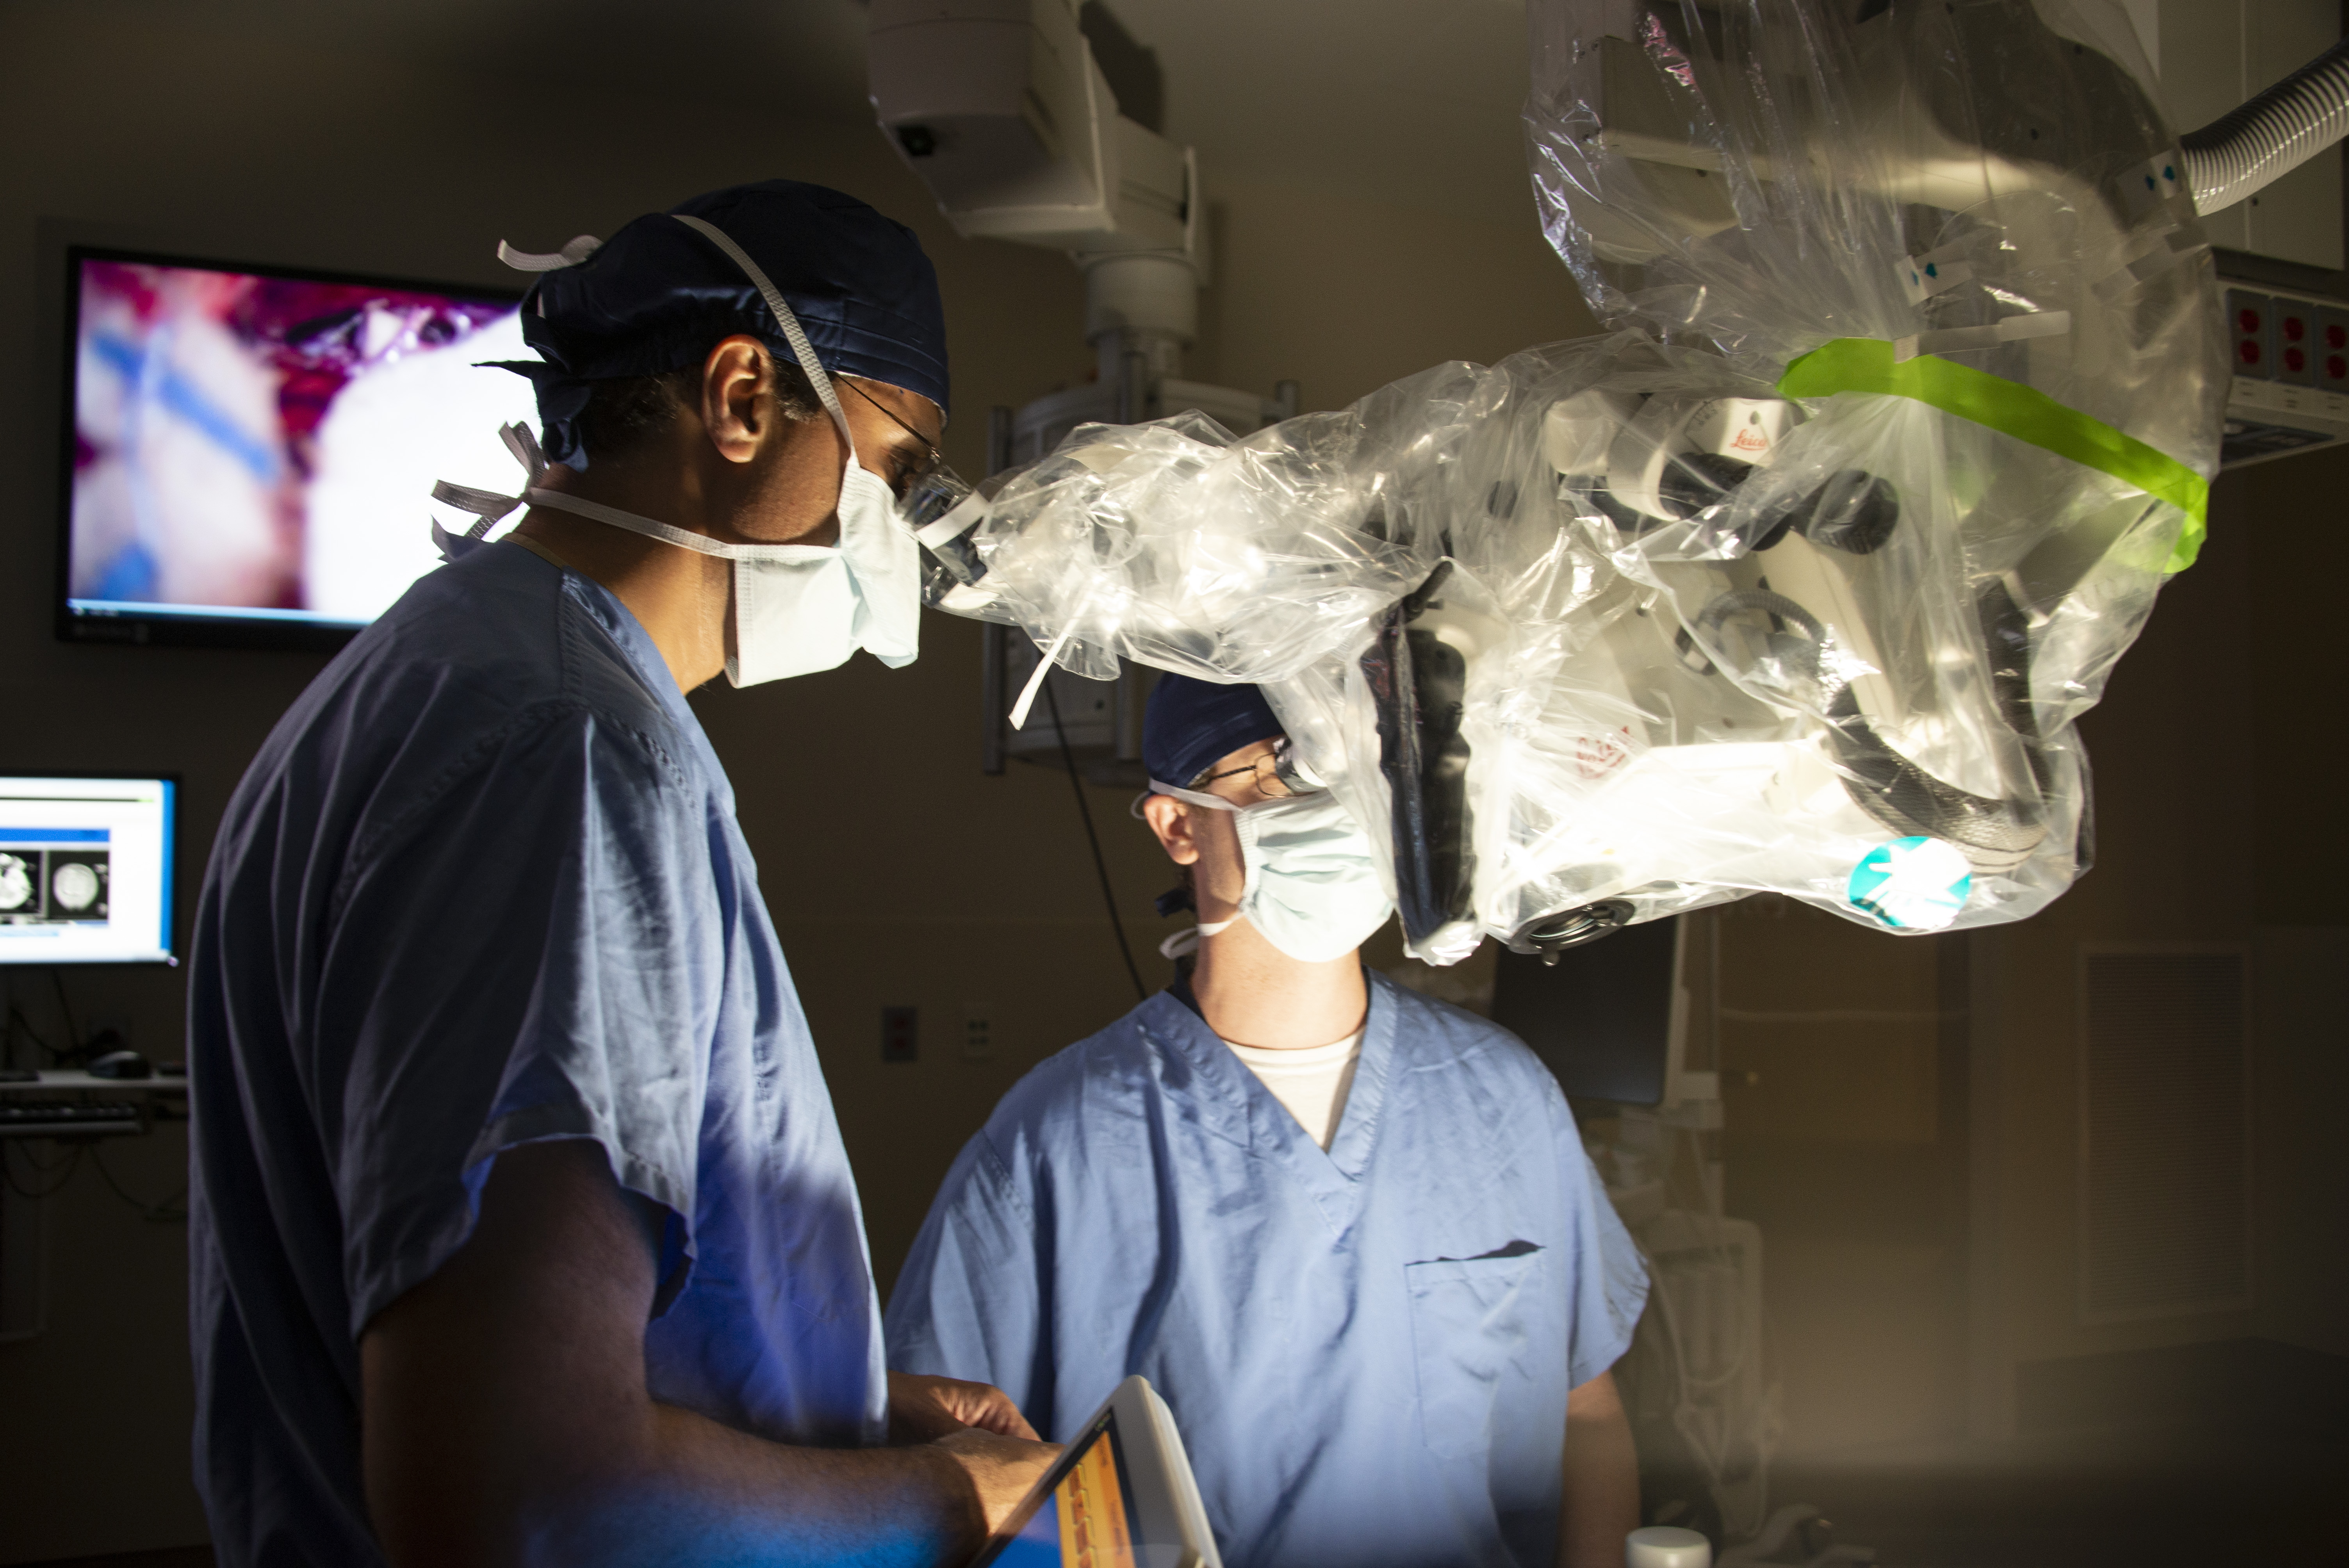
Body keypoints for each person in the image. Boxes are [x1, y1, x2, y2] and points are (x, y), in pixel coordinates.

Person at [187, 179, 1057, 1568]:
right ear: (742, 397)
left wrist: (834, 1404)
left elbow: (493, 1331)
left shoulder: (439, 673)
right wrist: (963, 1505)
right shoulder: (565, 751)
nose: (908, 536)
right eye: (902, 471)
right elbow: (530, 1499)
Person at [886, 675, 1652, 1568]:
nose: (1333, 808)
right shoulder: (1054, 1146)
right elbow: (945, 1462)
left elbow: (1585, 1412)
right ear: (1177, 824)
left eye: (1357, 770)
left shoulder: (1502, 1098)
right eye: (1284, 772)